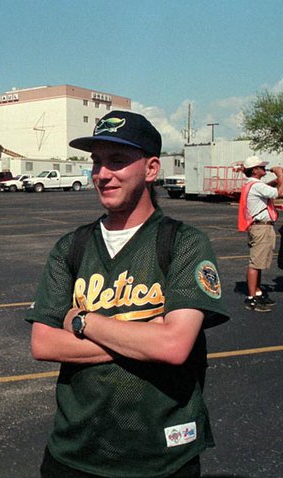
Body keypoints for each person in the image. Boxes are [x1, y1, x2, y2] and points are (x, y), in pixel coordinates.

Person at [26, 111, 229, 478]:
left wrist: (82, 321)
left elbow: (173, 346)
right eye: (97, 162)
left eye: (117, 160)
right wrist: (146, 337)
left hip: (162, 459)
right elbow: (43, 343)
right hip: (74, 453)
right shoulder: (71, 247)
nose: (102, 174)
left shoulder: (184, 243)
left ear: (151, 169)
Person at [237, 155, 283, 312]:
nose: (264, 169)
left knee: (259, 261)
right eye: (261, 167)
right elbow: (279, 193)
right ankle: (252, 298)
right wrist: (280, 174)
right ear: (255, 170)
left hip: (259, 227)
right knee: (256, 263)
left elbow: (269, 188)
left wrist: (276, 180)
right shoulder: (256, 185)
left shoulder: (254, 184)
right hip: (261, 228)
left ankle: (257, 292)